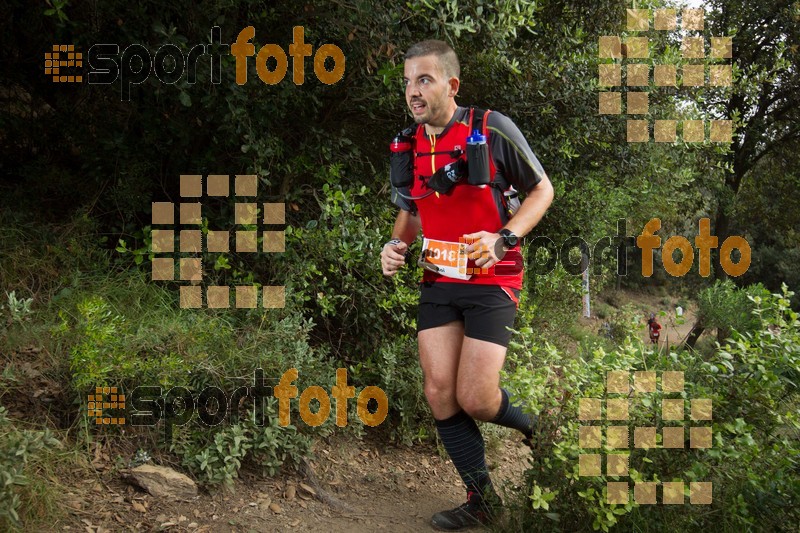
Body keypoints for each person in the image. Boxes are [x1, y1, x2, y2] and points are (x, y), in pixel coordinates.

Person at [380, 40, 554, 531]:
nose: (413, 92)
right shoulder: (408, 144)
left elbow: (543, 188)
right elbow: (411, 208)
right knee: (440, 393)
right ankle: (483, 501)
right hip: (438, 277)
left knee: (476, 397)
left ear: (451, 85)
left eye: (424, 80)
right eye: (409, 82)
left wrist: (505, 237)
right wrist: (395, 246)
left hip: (490, 276)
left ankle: (533, 428)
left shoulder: (490, 128)